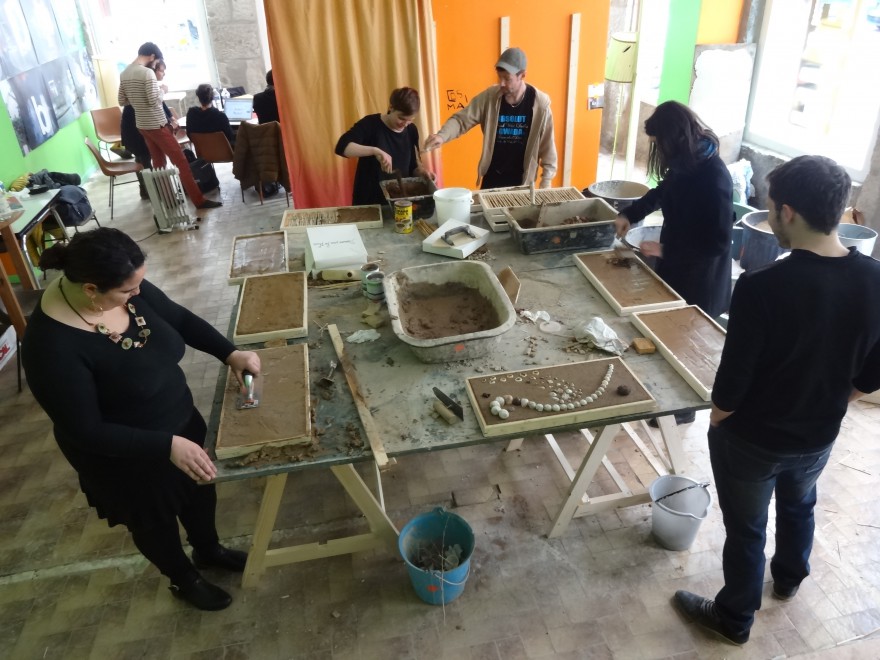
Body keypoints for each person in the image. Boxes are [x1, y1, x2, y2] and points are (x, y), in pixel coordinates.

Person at [672, 155, 880, 646]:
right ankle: (788, 578)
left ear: (787, 212)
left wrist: (718, 424)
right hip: (819, 434)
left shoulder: (762, 286)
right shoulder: (874, 280)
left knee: (746, 531)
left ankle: (734, 618)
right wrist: (830, 399)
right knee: (799, 502)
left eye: (769, 207)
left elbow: (732, 384)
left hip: (752, 441)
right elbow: (870, 378)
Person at [21, 228, 261, 611]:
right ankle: (184, 579)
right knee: (153, 519)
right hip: (124, 457)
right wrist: (164, 445)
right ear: (90, 289)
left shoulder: (127, 286)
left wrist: (229, 353)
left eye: (140, 284)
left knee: (199, 491)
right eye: (129, 291)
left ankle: (208, 550)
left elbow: (178, 318)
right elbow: (84, 429)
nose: (139, 293)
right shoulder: (51, 347)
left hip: (180, 426)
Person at [615, 101, 733, 424]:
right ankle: (669, 398)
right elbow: (662, 192)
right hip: (678, 263)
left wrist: (667, 252)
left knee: (687, 339)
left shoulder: (714, 177)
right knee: (670, 332)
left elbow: (719, 241)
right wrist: (630, 215)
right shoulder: (686, 163)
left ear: (674, 139)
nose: (656, 151)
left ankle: (682, 410)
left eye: (657, 144)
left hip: (701, 275)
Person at [423, 47, 557, 190]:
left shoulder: (540, 105)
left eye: (507, 78)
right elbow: (461, 120)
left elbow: (547, 147)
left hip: (522, 183)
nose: (502, 83)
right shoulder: (490, 97)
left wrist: (546, 183)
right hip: (492, 178)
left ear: (522, 75)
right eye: (500, 77)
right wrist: (442, 136)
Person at [118, 42, 221, 211]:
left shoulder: (124, 73)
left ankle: (169, 201)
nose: (155, 64)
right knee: (181, 162)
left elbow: (122, 100)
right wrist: (163, 90)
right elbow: (153, 100)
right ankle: (199, 201)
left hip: (142, 125)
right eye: (156, 61)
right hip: (157, 125)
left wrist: (139, 101)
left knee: (159, 165)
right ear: (152, 57)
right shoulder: (146, 73)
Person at [335, 87, 435, 206]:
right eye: (401, 118)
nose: (405, 124)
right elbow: (342, 147)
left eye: (410, 120)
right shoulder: (371, 124)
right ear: (391, 107)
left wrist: (423, 173)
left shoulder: (411, 130)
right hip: (369, 202)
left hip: (401, 203)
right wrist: (375, 150)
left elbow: (413, 167)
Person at [121, 58, 176, 198]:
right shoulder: (147, 81)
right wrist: (162, 91)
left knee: (142, 159)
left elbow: (160, 105)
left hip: (135, 126)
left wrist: (170, 117)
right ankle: (156, 194)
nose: (163, 74)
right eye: (162, 70)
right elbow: (155, 103)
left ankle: (148, 191)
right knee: (145, 160)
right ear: (153, 69)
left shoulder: (136, 79)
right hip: (137, 127)